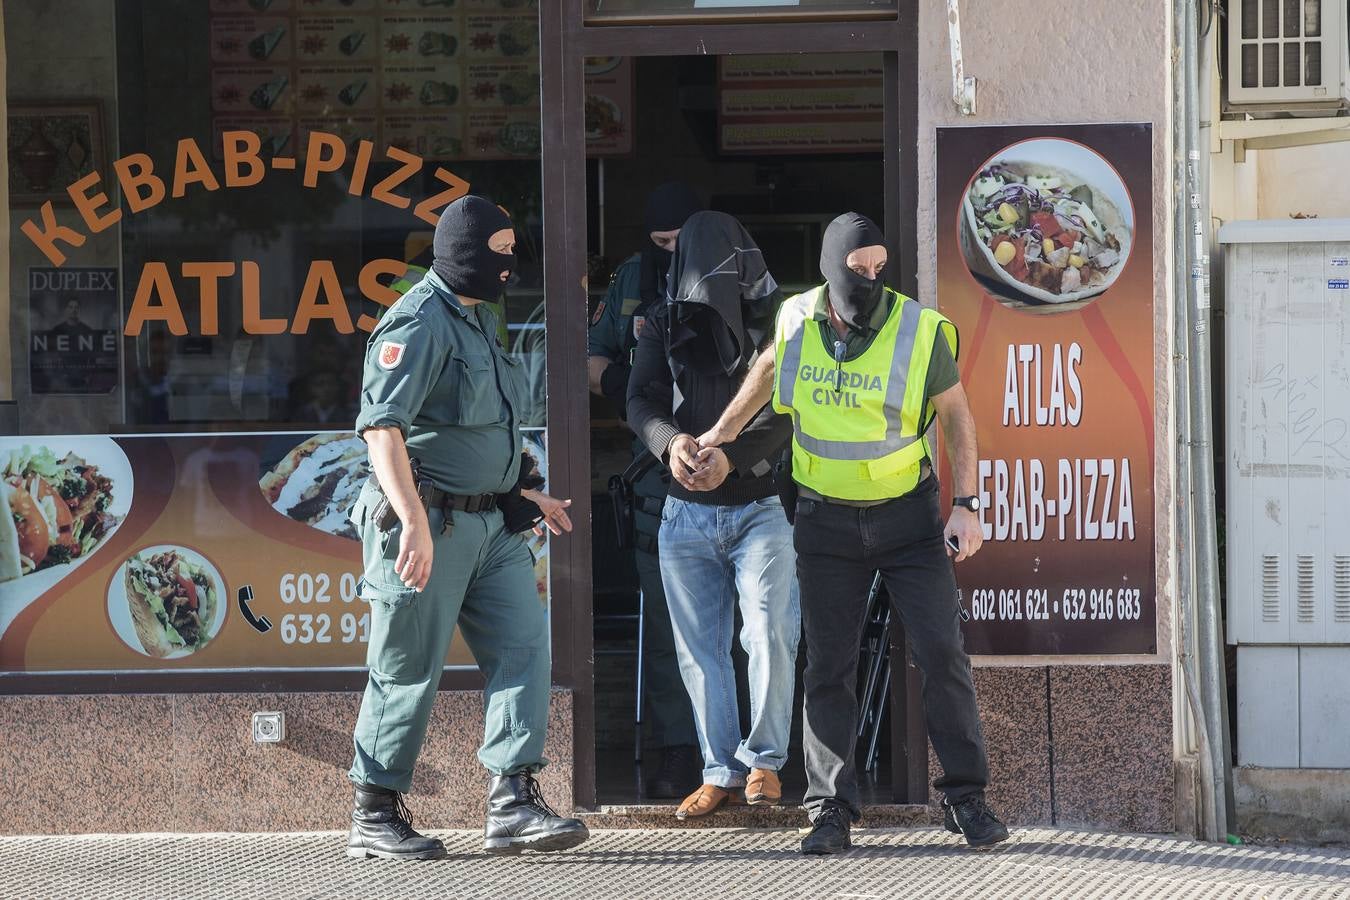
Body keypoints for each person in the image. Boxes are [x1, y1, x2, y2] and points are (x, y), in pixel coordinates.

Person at [698, 212, 1008, 854]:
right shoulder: (795, 319)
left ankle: (967, 799)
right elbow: (765, 374)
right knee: (829, 667)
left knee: (941, 654)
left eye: (877, 268)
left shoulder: (919, 330)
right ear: (829, 267)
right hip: (826, 521)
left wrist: (968, 503)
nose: (868, 279)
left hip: (909, 520)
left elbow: (957, 415)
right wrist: (719, 435)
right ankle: (830, 809)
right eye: (856, 269)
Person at [345, 195, 589, 860]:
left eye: (513, 252)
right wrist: (414, 524)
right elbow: (382, 430)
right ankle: (374, 810)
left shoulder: (481, 317)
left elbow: (476, 425)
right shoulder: (419, 322)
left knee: (523, 650)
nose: (509, 265)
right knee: (406, 669)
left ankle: (513, 801)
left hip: (491, 526)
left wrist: (521, 491)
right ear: (467, 251)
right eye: (500, 251)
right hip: (430, 526)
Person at [627, 210, 799, 820]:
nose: (705, 278)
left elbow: (789, 405)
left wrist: (733, 459)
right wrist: (668, 443)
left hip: (761, 507)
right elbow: (639, 397)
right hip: (684, 512)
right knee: (700, 649)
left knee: (768, 636)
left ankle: (765, 764)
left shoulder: (782, 318)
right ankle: (719, 770)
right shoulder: (662, 314)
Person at [587, 181, 703, 799]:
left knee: (749, 629)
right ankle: (678, 751)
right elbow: (585, 357)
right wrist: (628, 388)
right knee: (666, 628)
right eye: (661, 243)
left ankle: (741, 755)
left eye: (682, 241)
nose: (671, 252)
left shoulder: (740, 267)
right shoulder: (633, 278)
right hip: (657, 477)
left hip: (733, 470)